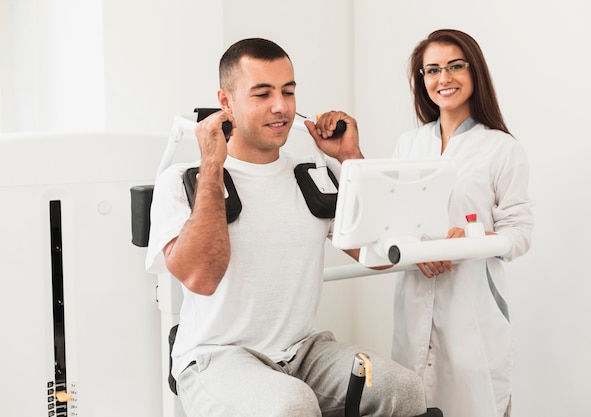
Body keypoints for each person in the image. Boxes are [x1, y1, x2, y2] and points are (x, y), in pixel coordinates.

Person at [146, 38, 442, 417]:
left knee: (402, 390)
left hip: (303, 352)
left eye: (288, 91)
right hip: (214, 359)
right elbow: (201, 277)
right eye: (262, 94)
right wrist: (212, 167)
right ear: (226, 102)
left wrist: (349, 158)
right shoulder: (184, 180)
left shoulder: (314, 177)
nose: (280, 107)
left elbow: (381, 254)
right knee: (292, 405)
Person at [315, 29, 533, 417]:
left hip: (471, 306)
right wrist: (349, 155)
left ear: (474, 71)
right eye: (431, 70)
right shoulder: (410, 144)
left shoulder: (501, 147)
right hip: (415, 295)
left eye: (454, 66)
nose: (443, 78)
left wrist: (469, 239)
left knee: (475, 402)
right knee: (415, 402)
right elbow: (386, 212)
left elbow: (519, 232)